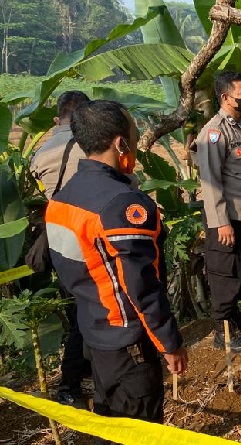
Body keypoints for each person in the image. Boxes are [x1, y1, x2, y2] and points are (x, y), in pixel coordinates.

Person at [46, 100, 188, 438]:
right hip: (128, 344)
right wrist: (169, 343)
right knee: (139, 430)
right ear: (120, 143)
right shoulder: (122, 204)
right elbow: (141, 287)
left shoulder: (62, 199)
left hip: (94, 336)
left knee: (110, 424)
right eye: (135, 139)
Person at [192, 71, 241, 353]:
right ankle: (222, 330)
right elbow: (210, 181)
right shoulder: (214, 133)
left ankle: (234, 318)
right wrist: (221, 223)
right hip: (229, 219)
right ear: (225, 97)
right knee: (226, 273)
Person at [29, 91, 93, 407]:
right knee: (89, 310)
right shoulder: (93, 148)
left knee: (76, 306)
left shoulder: (40, 154)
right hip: (88, 237)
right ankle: (70, 383)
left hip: (58, 239)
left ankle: (82, 373)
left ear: (58, 119)